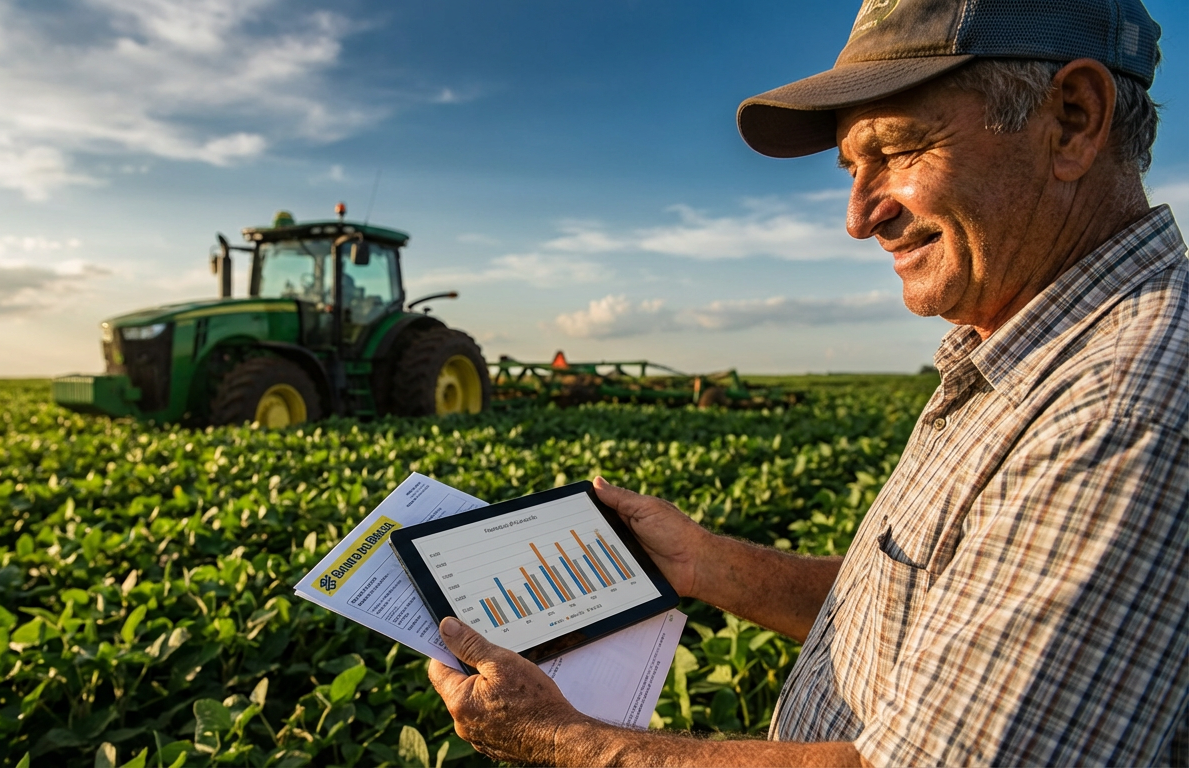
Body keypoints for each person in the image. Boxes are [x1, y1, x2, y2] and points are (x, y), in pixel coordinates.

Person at [427, 0, 1189, 764]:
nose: (860, 217)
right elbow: (933, 619)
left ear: (1074, 119)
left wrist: (566, 738)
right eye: (852, 169)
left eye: (895, 150)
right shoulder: (1024, 351)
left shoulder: (1122, 408)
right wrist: (705, 562)